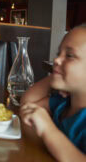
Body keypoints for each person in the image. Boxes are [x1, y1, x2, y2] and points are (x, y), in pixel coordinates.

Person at [20, 25, 86, 161]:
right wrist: (58, 75)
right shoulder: (63, 103)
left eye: (70, 55)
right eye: (58, 54)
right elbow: (28, 104)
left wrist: (48, 130)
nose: (56, 60)